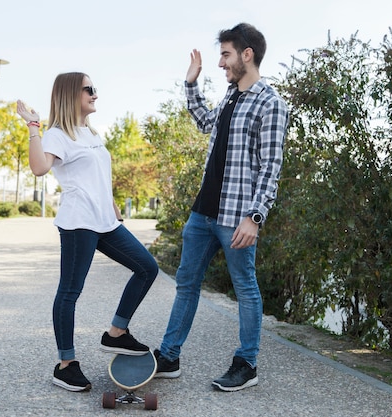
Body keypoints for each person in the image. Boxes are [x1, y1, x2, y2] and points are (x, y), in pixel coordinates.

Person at [154, 23, 289, 392]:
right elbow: (203, 123)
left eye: (226, 54)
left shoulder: (271, 103)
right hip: (203, 213)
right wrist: (191, 83)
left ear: (248, 54)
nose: (220, 63)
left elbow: (270, 166)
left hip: (236, 218)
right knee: (186, 283)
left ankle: (247, 363)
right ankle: (169, 356)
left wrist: (255, 216)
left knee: (245, 287)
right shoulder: (231, 97)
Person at [16, 72, 159, 392]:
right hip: (79, 223)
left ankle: (116, 333)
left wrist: (111, 203)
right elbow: (39, 168)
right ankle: (66, 365)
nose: (95, 94)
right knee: (70, 292)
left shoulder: (89, 132)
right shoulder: (56, 134)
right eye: (89, 89)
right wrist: (33, 127)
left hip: (104, 220)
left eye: (96, 88)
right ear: (71, 94)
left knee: (147, 267)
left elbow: (96, 174)